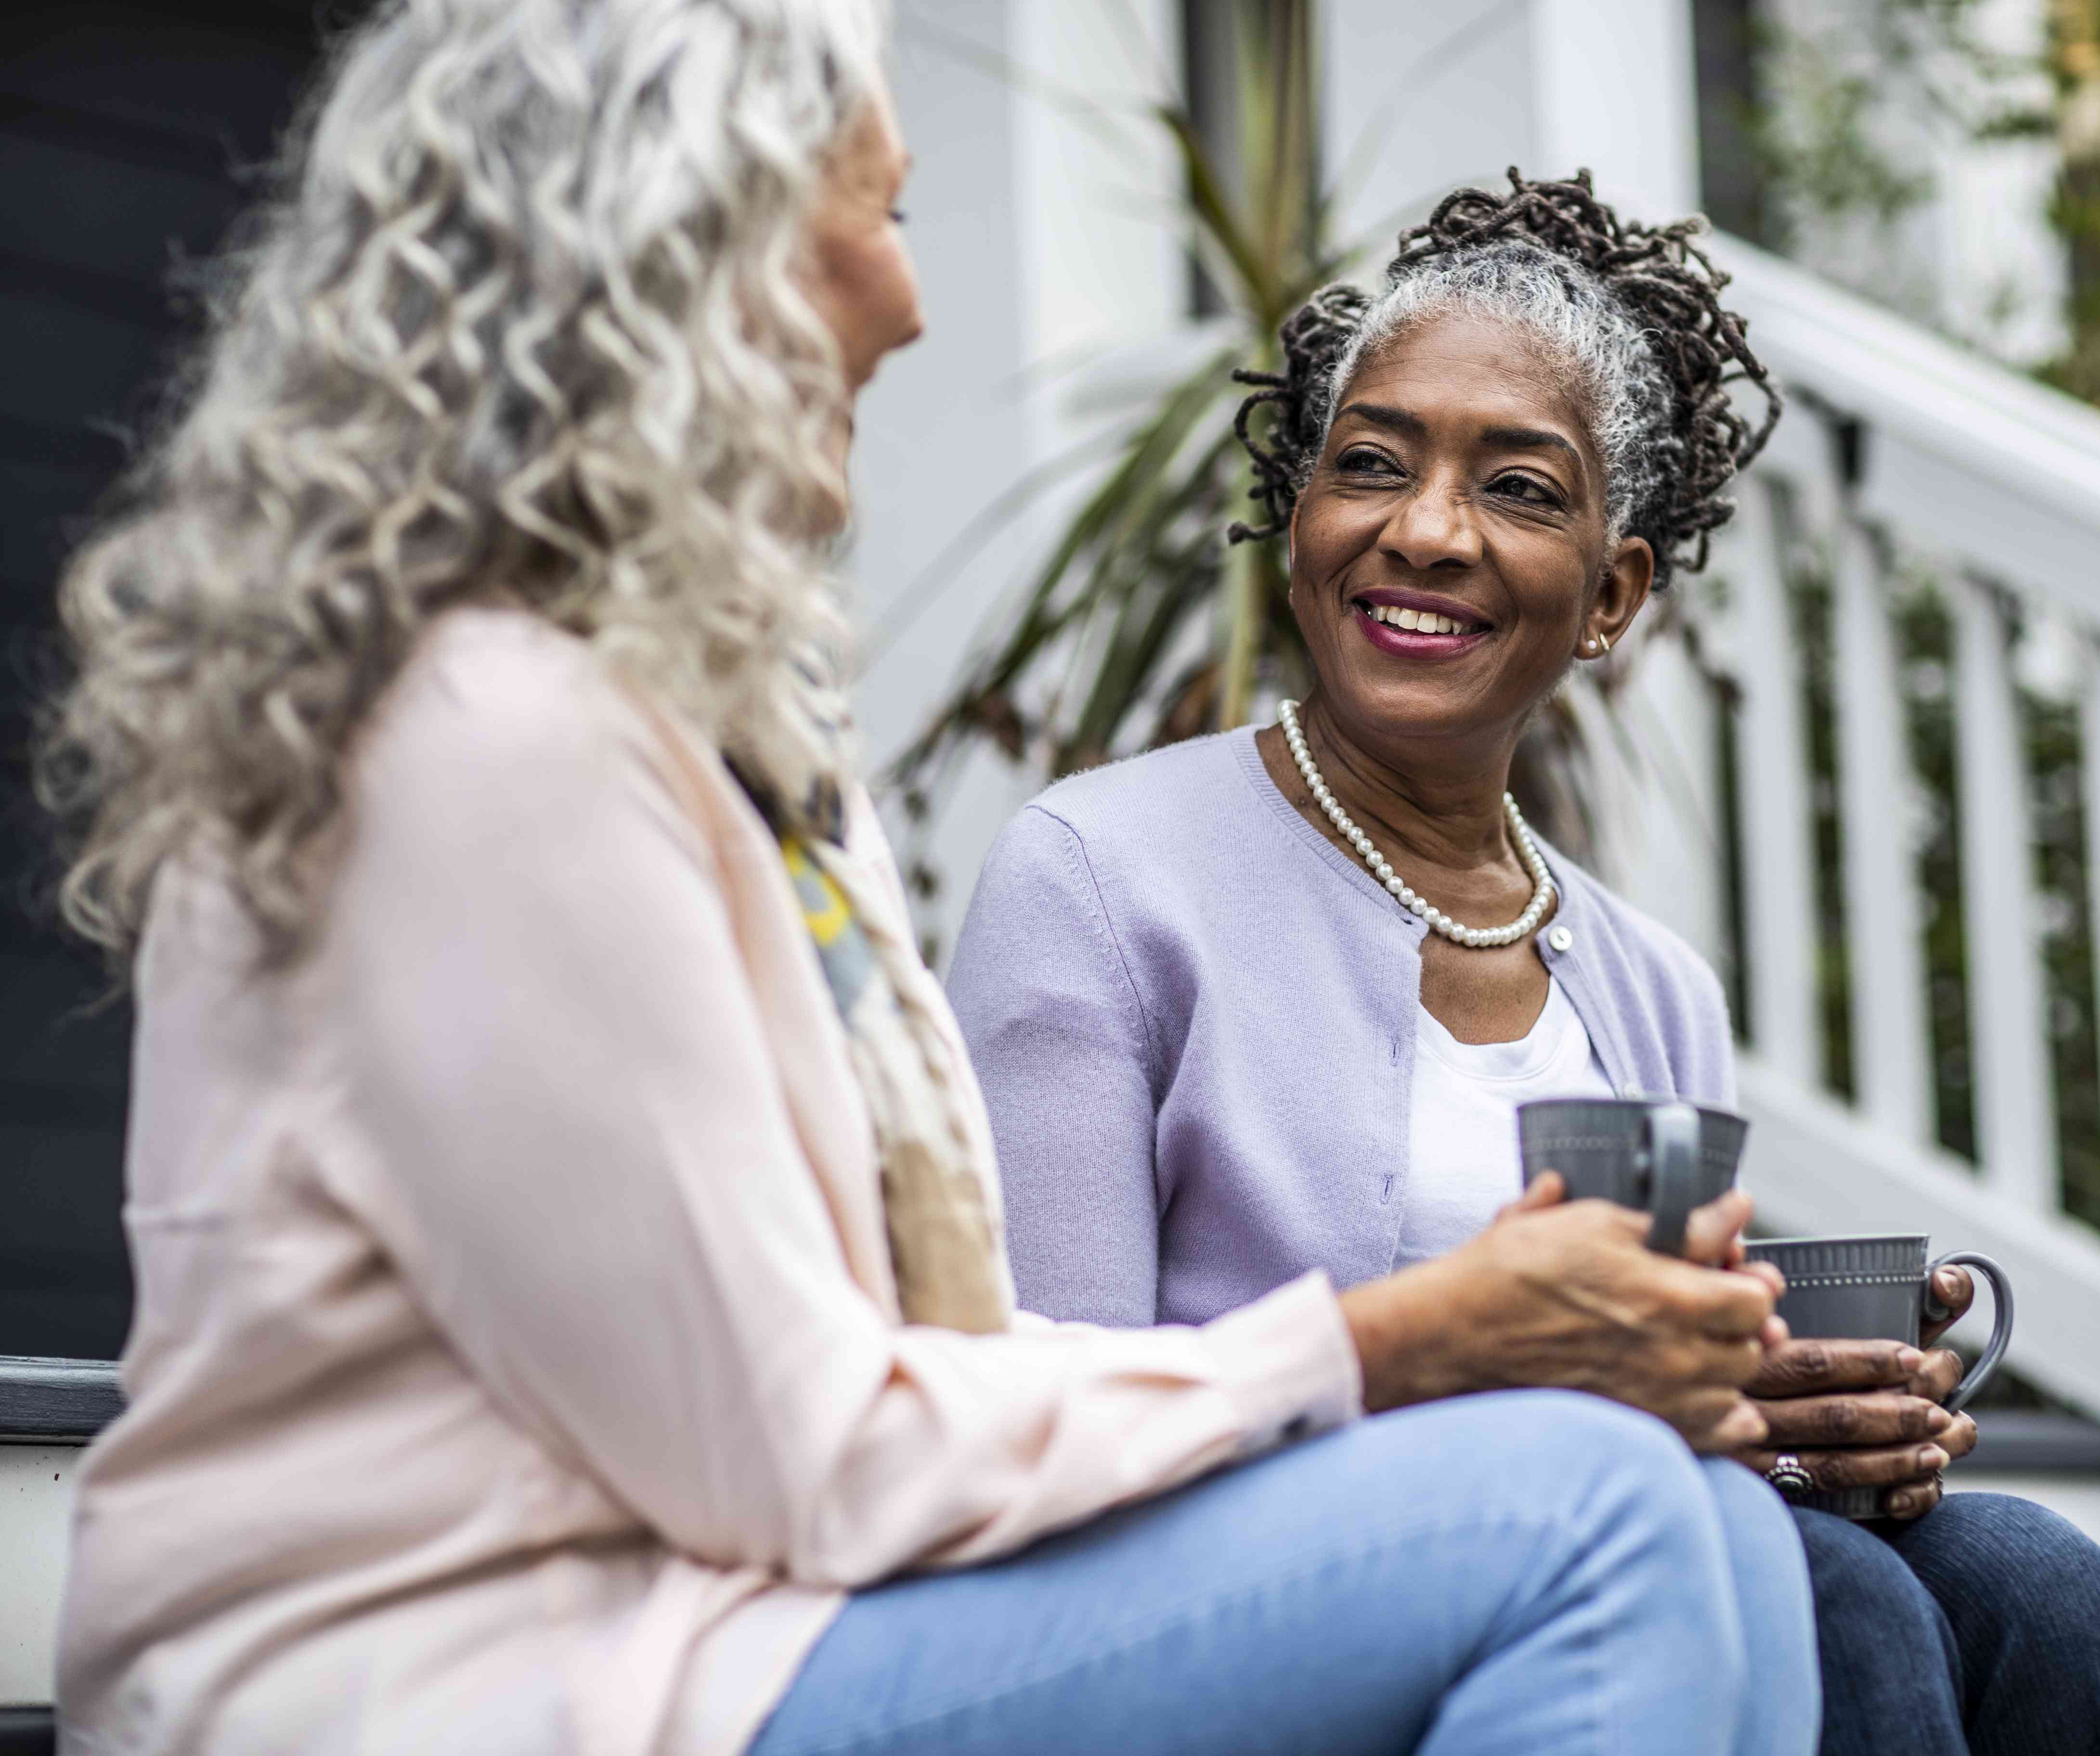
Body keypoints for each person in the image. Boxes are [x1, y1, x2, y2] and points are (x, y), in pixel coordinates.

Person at [37, 9, 1823, 1754]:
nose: (909, 296)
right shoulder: (488, 742)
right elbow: (802, 1457)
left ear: (1618, 590)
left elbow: (878, 1383)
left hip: (723, 1619)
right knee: (1597, 1515)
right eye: (878, 214)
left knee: (1734, 1528)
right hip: (468, 1678)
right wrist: (1400, 1342)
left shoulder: (700, 727)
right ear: (690, 248)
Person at [948, 170, 2100, 1756]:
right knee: (1833, 1601)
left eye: (1520, 490)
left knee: (2041, 1580)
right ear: (1301, 520)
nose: (1426, 530)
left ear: (1613, 593)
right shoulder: (1101, 879)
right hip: (1238, 1600)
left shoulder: (1650, 984)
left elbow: (1654, 1419)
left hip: (1612, 1548)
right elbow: (1051, 1419)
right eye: (1371, 465)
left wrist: (1787, 1415)